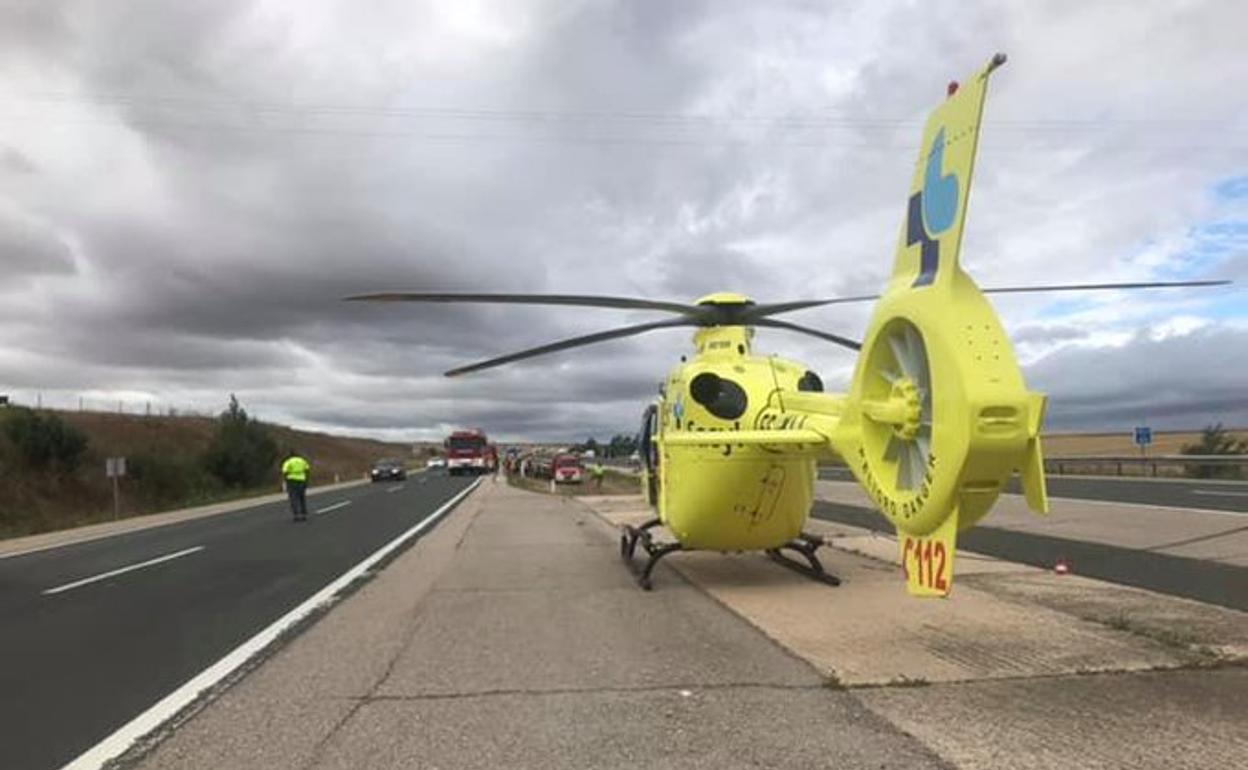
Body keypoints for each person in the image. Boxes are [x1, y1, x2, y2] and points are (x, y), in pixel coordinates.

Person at [282, 450, 312, 522]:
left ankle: (296, 515)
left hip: (292, 481)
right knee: (302, 498)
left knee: (293, 498)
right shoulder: (302, 461)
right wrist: (306, 480)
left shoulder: (288, 462)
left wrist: (286, 480)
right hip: (302, 480)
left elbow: (285, 471)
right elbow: (307, 470)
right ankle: (304, 514)